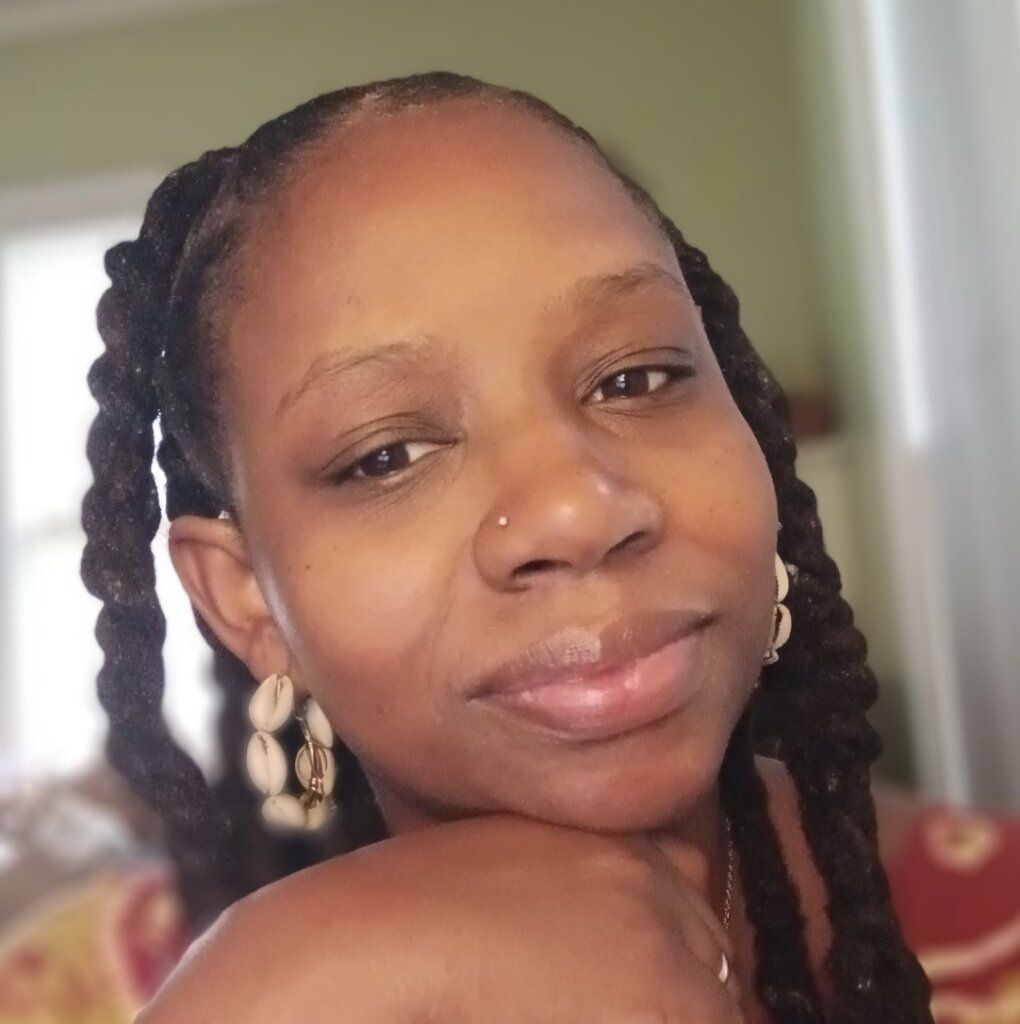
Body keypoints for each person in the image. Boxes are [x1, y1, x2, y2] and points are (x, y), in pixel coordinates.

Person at [80, 72, 934, 1022]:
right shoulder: (92, 983)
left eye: (637, 378)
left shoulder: (989, 913)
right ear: (245, 599)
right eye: (388, 454)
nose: (576, 512)